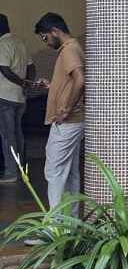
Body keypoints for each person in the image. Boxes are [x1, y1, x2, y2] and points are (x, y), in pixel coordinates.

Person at [33, 13, 84, 214]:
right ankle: (70, 222)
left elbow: (80, 79)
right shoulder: (72, 48)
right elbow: (71, 82)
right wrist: (52, 86)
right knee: (69, 174)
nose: (46, 42)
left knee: (54, 171)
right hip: (73, 121)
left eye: (44, 37)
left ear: (55, 31)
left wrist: (66, 109)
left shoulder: (69, 49)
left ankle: (54, 226)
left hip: (68, 122)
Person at [0, 14, 34, 182]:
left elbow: (4, 69)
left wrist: (22, 82)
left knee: (8, 137)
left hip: (4, 97)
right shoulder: (20, 42)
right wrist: (27, 84)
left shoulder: (2, 44)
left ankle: (11, 172)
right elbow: (31, 66)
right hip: (20, 97)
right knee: (18, 135)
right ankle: (21, 171)